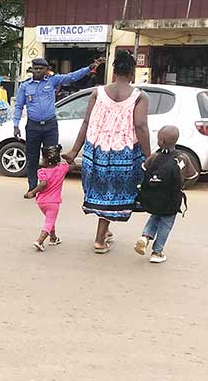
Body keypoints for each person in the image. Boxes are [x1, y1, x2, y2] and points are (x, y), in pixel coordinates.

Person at [63, 50, 151, 254]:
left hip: (96, 153)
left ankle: (106, 232)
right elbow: (141, 126)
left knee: (103, 193)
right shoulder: (139, 96)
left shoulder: (97, 92)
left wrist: (74, 150)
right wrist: (149, 155)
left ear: (113, 72)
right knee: (114, 195)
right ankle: (99, 240)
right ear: (132, 73)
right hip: (124, 154)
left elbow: (86, 122)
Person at [14, 56, 104, 192]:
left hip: (50, 126)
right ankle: (32, 187)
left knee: (52, 158)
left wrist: (89, 68)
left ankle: (49, 186)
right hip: (33, 126)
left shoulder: (53, 81)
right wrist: (15, 125)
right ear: (32, 69)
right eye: (35, 68)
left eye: (41, 69)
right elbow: (19, 106)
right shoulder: (25, 86)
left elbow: (71, 77)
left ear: (46, 70)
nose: (37, 71)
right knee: (32, 158)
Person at [133, 126, 197, 263]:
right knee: (166, 224)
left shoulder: (155, 156)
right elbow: (193, 176)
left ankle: (145, 237)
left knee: (155, 216)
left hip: (154, 198)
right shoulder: (182, 158)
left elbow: (144, 168)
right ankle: (157, 252)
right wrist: (181, 185)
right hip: (171, 200)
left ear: (160, 141)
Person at [24, 145, 76, 252]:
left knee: (49, 220)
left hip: (42, 202)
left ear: (46, 161)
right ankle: (40, 241)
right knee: (49, 221)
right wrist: (68, 158)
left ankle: (53, 238)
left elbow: (43, 183)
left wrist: (32, 192)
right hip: (53, 202)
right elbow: (73, 166)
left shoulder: (42, 171)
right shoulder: (62, 169)